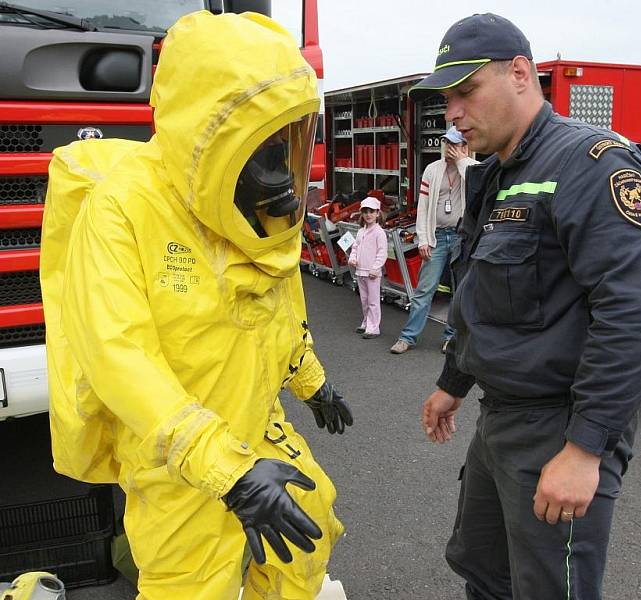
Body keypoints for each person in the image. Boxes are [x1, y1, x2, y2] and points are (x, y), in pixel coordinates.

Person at [40, 11, 353, 600]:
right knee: (191, 584)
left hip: (259, 432)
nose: (283, 167)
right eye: (264, 144)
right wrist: (225, 472)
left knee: (304, 545)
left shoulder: (251, 211)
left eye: (289, 141)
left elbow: (279, 304)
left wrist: (313, 384)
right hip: (176, 457)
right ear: (210, 134)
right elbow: (119, 357)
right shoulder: (122, 209)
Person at [412, 13, 641, 599]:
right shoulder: (501, 174)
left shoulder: (590, 165)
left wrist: (585, 451)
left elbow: (637, 316)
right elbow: (483, 295)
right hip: (500, 420)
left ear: (522, 74)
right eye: (446, 98)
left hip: (559, 428)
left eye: (465, 91)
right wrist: (455, 379)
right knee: (483, 572)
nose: (451, 113)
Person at [390, 126, 477, 354]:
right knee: (424, 290)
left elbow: (478, 183)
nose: (449, 149)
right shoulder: (432, 169)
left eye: (455, 144)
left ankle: (452, 337)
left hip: (461, 236)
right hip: (437, 235)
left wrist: (461, 161)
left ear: (465, 147)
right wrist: (423, 239)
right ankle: (408, 337)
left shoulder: (472, 167)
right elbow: (423, 207)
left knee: (459, 292)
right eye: (447, 143)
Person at [348, 196, 388, 339]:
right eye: (365, 212)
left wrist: (376, 268)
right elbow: (355, 247)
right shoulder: (361, 231)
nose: (368, 215)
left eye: (371, 211)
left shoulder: (379, 232)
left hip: (372, 273)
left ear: (377, 213)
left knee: (373, 301)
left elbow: (382, 252)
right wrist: (352, 258)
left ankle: (373, 327)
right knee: (364, 300)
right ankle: (366, 322)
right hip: (361, 271)